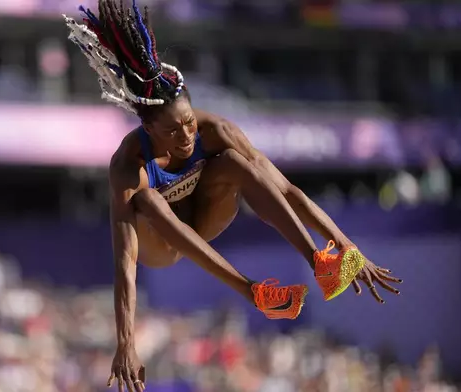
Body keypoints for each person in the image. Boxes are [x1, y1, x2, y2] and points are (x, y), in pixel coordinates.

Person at [63, 2, 402, 391]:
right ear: (148, 126)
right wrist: (126, 343)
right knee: (151, 201)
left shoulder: (216, 130)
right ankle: (253, 290)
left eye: (189, 123)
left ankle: (320, 266)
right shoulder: (128, 165)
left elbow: (285, 189)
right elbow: (125, 263)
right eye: (173, 131)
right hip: (160, 243)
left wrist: (343, 245)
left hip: (205, 220)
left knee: (238, 164)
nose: (186, 136)